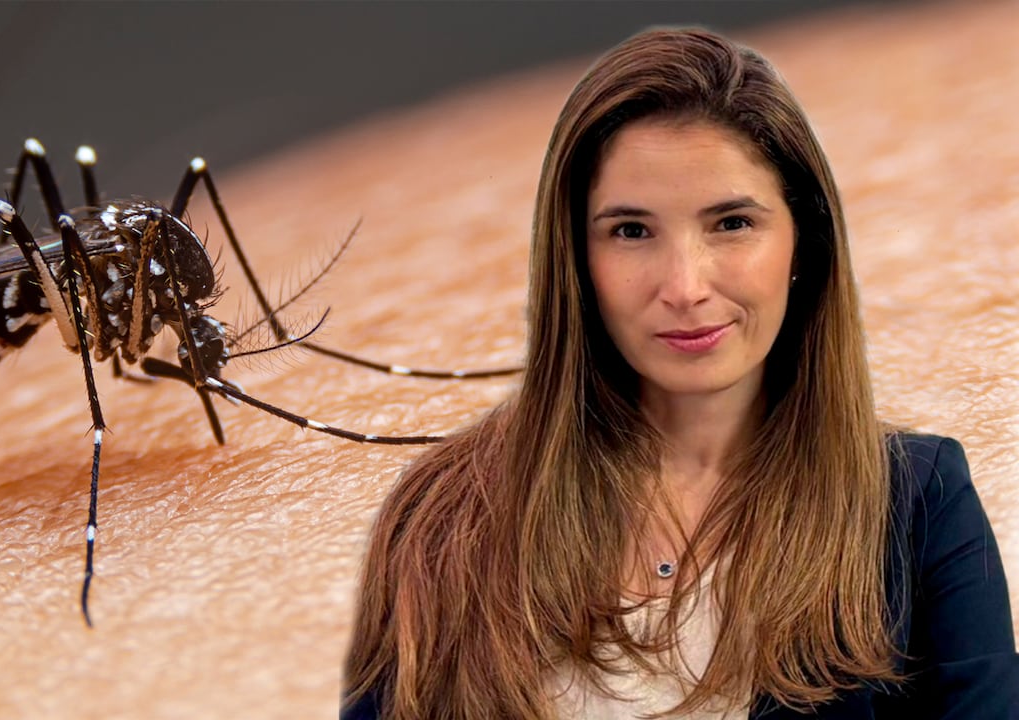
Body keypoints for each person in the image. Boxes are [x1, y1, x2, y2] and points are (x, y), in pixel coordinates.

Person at [342, 28, 1016, 720]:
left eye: (731, 222)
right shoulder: (439, 519)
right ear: (576, 261)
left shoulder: (920, 503)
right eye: (631, 231)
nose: (685, 286)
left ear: (802, 242)